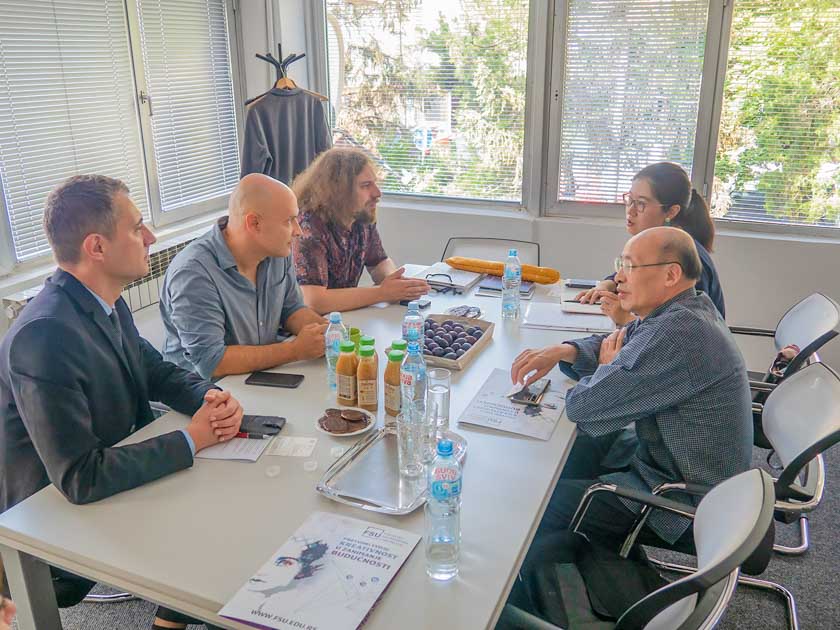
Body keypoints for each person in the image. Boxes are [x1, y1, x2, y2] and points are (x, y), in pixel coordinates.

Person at [0, 175, 242, 629]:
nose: (151, 237)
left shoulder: (104, 302)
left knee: (233, 508)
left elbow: (155, 371)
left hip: (115, 469)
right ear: (97, 247)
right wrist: (192, 438)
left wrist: (211, 397)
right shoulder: (43, 335)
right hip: (55, 520)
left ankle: (172, 617)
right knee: (223, 548)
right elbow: (80, 476)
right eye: (136, 227)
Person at [511, 228, 751, 550]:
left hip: (682, 501)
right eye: (620, 265)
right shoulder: (684, 310)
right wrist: (564, 351)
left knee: (533, 504)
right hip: (665, 464)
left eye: (630, 267)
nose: (618, 278)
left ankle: (562, 569)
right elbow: (620, 342)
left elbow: (584, 408)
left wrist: (606, 368)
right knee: (554, 464)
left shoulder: (679, 334)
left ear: (671, 274)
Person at [160, 174, 327, 379]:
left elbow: (291, 310)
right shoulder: (193, 273)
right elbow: (212, 362)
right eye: (288, 221)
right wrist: (294, 350)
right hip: (207, 391)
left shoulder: (275, 251)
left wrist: (328, 333)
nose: (298, 231)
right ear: (254, 223)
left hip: (257, 378)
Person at [577, 162, 725, 325]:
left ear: (671, 211)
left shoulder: (687, 258)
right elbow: (639, 273)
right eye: (630, 199)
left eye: (641, 203)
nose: (630, 210)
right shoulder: (661, 246)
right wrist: (607, 284)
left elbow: (682, 329)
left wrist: (626, 319)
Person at [291, 147, 429, 313]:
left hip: (342, 318)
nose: (377, 193)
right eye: (365, 185)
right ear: (338, 191)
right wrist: (382, 292)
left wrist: (397, 284)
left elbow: (379, 262)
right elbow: (314, 301)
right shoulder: (309, 227)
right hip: (311, 323)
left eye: (375, 183)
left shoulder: (360, 219)